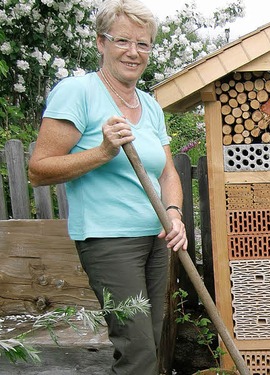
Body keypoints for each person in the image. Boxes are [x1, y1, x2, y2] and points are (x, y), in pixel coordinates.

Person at [28, 0, 188, 373]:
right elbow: (39, 170)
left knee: (152, 336)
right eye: (123, 41)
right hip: (109, 241)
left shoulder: (149, 105)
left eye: (143, 44)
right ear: (101, 43)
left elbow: (167, 173)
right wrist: (102, 151)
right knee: (137, 349)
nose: (134, 52)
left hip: (156, 237)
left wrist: (174, 214)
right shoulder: (77, 92)